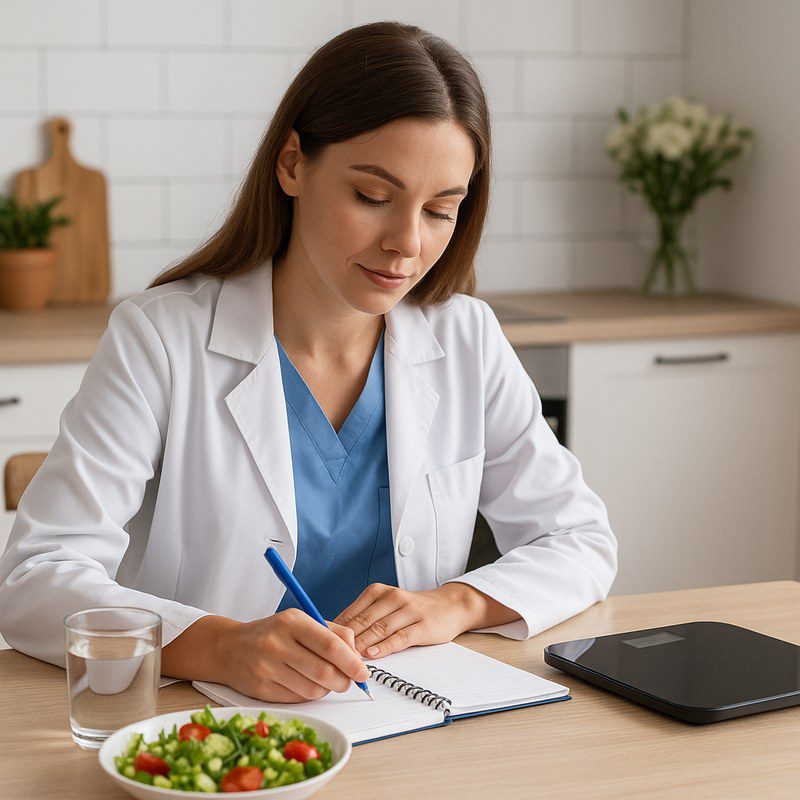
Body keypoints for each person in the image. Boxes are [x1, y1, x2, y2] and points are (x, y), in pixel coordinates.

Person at [0, 21, 617, 703]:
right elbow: (36, 576)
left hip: (405, 716)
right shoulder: (160, 339)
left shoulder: (466, 337)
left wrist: (456, 603)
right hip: (211, 727)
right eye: (372, 198)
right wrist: (220, 646)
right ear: (292, 163)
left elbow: (580, 540)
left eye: (441, 210)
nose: (406, 244)